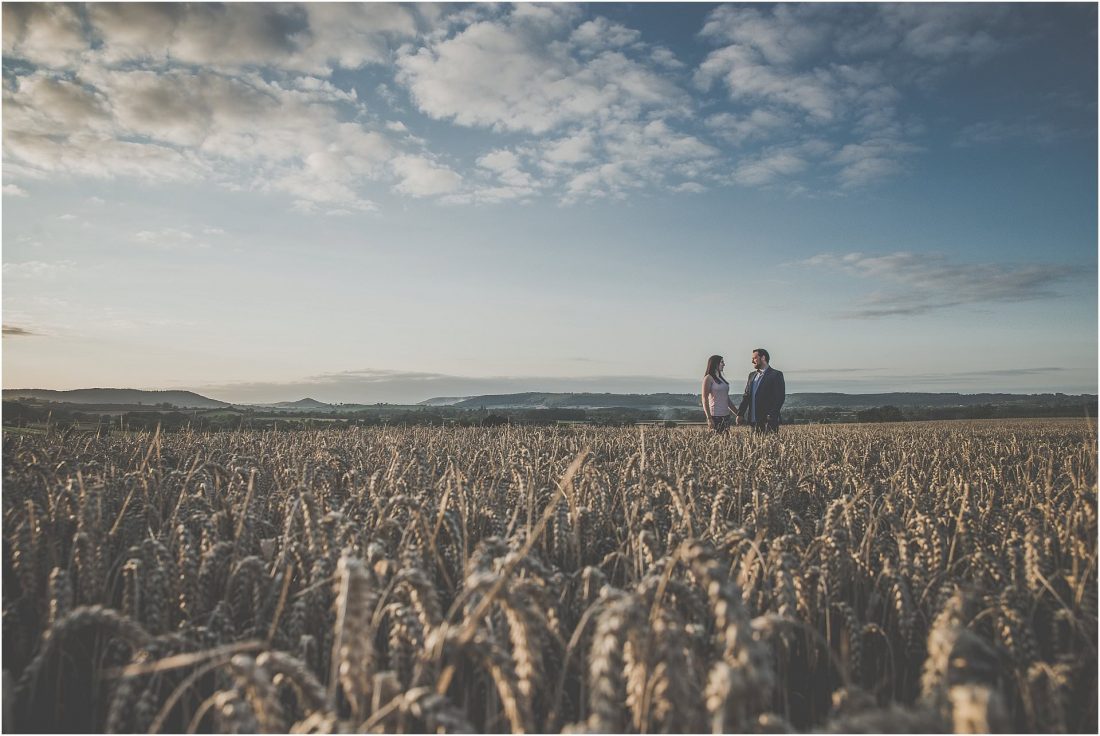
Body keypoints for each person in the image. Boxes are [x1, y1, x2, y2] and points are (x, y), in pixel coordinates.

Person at [736, 348, 785, 433]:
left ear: (763, 358)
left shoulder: (776, 375)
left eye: (754, 358)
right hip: (753, 422)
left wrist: (771, 415)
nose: (752, 361)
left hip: (769, 422)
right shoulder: (751, 375)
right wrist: (740, 414)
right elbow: (746, 396)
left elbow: (780, 397)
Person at [701, 355, 737, 433]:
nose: (724, 364)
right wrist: (709, 418)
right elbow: (704, 398)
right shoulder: (708, 378)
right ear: (715, 363)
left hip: (726, 416)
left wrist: (737, 413)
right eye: (722, 362)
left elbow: (727, 399)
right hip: (715, 416)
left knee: (726, 442)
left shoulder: (721, 379)